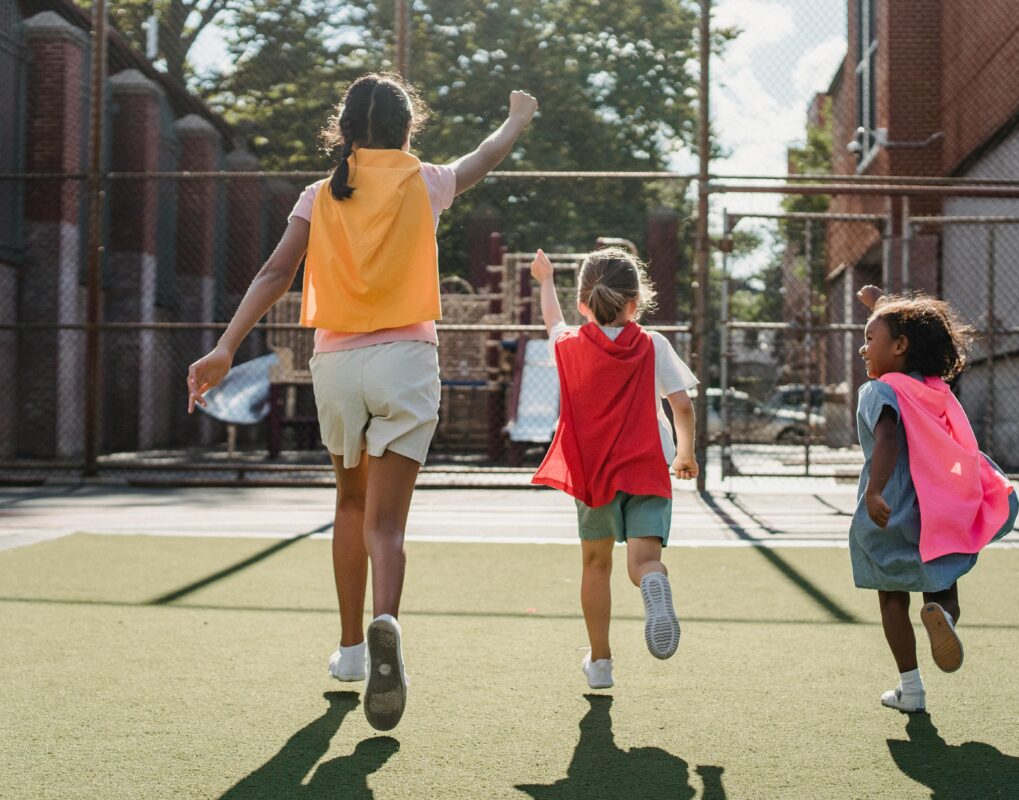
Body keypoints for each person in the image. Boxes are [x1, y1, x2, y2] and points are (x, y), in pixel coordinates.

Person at [186, 74, 538, 730]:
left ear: (344, 132)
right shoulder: (426, 180)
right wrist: (515, 118)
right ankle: (387, 625)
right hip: (405, 363)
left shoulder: (319, 196)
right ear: (409, 129)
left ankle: (352, 651)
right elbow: (484, 157)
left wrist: (225, 348)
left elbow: (273, 273)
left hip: (338, 365)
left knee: (348, 505)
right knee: (388, 526)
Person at [528, 246, 698, 690]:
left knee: (596, 564)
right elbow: (682, 406)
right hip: (648, 467)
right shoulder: (653, 344)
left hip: (595, 473)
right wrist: (685, 454)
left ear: (584, 301)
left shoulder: (569, 346)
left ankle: (600, 662)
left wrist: (546, 281)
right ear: (635, 302)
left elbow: (552, 321)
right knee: (643, 561)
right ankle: (653, 583)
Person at [851, 285, 1019, 714]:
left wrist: (874, 490)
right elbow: (906, 330)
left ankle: (911, 689)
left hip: (890, 503)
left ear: (900, 346)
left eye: (869, 340)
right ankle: (943, 616)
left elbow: (887, 437)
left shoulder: (879, 391)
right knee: (940, 578)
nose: (862, 349)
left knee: (891, 597)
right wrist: (880, 308)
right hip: (936, 507)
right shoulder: (933, 387)